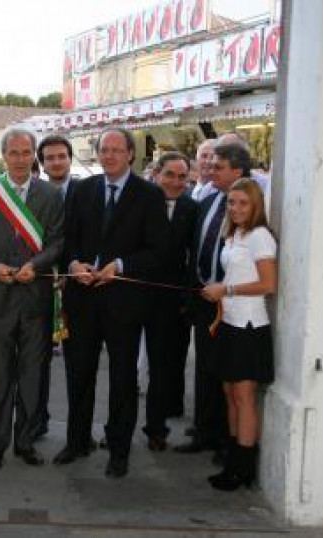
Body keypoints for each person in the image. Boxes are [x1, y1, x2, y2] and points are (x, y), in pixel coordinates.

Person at [57, 127, 169, 478]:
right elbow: (67, 239)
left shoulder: (149, 195)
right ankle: (77, 441)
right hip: (83, 299)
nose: (108, 156)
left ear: (130, 154)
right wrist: (73, 264)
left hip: (124, 303)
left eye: (116, 150)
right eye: (103, 150)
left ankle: (118, 449)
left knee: (122, 379)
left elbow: (158, 251)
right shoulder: (81, 189)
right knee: (79, 375)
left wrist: (119, 267)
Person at [0, 126, 64, 471]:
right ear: (4, 156)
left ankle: (25, 442)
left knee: (32, 377)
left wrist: (35, 266)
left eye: (26, 153)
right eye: (14, 153)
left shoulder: (50, 195)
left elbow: (56, 243)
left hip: (35, 298)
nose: (21, 159)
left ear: (33, 156)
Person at [177, 143, 253, 458]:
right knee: (205, 368)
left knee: (228, 374)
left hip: (231, 304)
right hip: (202, 296)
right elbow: (197, 247)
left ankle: (226, 438)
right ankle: (204, 431)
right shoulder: (208, 201)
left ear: (238, 171)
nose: (210, 170)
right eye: (209, 164)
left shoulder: (247, 209)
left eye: (218, 166)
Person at [201, 178, 277, 490]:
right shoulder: (235, 234)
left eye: (243, 203)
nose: (235, 208)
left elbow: (268, 285)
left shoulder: (260, 236)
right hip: (229, 323)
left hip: (249, 327)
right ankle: (232, 462)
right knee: (229, 394)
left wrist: (226, 289)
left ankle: (243, 469)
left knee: (244, 397)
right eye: (231, 203)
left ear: (256, 205)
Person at [141, 151, 198, 451]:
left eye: (182, 177)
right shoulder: (140, 201)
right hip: (134, 293)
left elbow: (194, 257)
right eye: (170, 175)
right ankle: (118, 428)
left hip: (170, 298)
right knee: (123, 368)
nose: (176, 182)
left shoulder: (193, 208)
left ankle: (156, 428)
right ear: (156, 173)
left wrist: (185, 296)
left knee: (162, 368)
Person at [35, 134, 78, 440]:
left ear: (70, 158)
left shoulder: (86, 191)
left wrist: (69, 270)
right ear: (42, 162)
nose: (56, 162)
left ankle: (79, 432)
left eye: (61, 156)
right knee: (36, 363)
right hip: (38, 287)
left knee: (78, 365)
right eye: (50, 158)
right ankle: (37, 422)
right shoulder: (32, 194)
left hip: (77, 288)